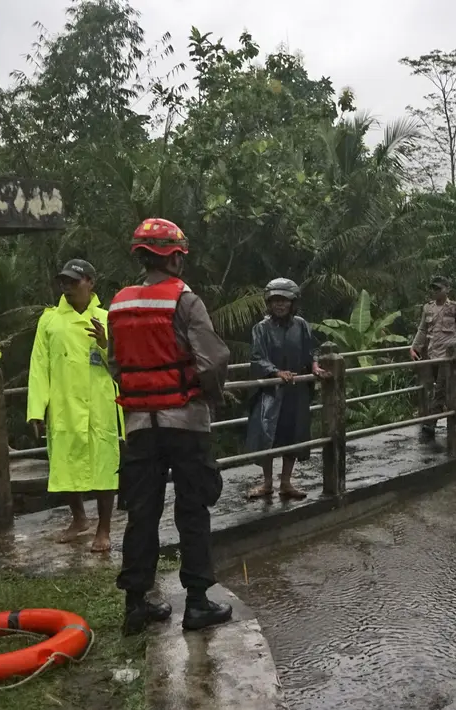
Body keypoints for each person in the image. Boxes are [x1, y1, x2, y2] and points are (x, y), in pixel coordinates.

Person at [109, 218, 232, 635]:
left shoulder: (119, 303)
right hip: (186, 420)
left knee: (142, 512)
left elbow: (116, 363)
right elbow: (211, 360)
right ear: (174, 256)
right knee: (192, 508)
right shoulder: (185, 300)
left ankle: (135, 603)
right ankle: (196, 602)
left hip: (140, 423)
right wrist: (212, 395)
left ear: (142, 256)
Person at [27, 259, 121, 553]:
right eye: (64, 283)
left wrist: (106, 344)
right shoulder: (50, 320)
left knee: (104, 466)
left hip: (99, 403)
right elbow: (39, 366)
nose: (67, 288)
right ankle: (78, 519)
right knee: (65, 463)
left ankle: (103, 528)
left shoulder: (108, 319)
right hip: (63, 402)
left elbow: (123, 365)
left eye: (74, 282)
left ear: (90, 282)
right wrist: (36, 409)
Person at [245, 278, 327, 501]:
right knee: (268, 436)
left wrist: (315, 366)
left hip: (296, 389)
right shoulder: (261, 329)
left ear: (292, 303)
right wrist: (275, 372)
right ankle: (268, 483)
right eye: (275, 301)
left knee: (293, 435)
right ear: (269, 304)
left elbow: (312, 349)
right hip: (271, 391)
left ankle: (286, 483)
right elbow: (257, 358)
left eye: (284, 301)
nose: (280, 305)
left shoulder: (301, 325)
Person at [410, 276, 456, 434]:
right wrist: (415, 347)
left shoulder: (455, 308)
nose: (435, 292)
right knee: (439, 389)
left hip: (449, 356)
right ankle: (453, 415)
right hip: (432, 354)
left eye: (439, 288)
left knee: (441, 390)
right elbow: (422, 329)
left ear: (447, 289)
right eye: (433, 288)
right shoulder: (428, 308)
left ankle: (431, 423)